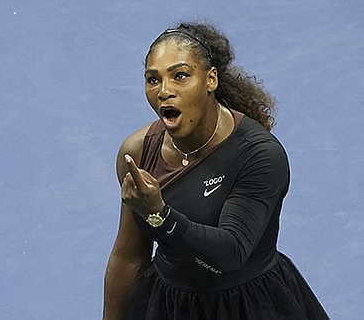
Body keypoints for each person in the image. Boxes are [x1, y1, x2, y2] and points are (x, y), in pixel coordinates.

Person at [103, 22, 329, 319]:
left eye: (180, 76)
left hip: (249, 306)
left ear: (210, 80)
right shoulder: (137, 152)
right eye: (153, 79)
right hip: (169, 306)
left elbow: (230, 253)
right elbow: (129, 255)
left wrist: (159, 214)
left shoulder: (260, 155)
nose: (164, 91)